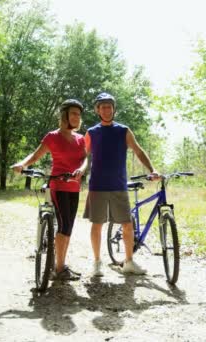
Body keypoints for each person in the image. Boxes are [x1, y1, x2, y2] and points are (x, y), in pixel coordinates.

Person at [83, 92, 159, 276]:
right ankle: (96, 263)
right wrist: (80, 172)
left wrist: (152, 170)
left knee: (126, 224)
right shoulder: (91, 133)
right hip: (97, 185)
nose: (106, 110)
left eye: (109, 106)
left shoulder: (123, 131)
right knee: (97, 224)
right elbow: (84, 158)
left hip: (118, 184)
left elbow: (139, 151)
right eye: (103, 107)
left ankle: (129, 262)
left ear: (114, 109)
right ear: (97, 110)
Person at [11, 99, 88, 281]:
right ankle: (58, 269)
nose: (77, 117)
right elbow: (36, 154)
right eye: (73, 114)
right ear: (65, 116)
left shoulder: (80, 139)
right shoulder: (52, 137)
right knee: (63, 226)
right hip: (58, 186)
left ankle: (61, 264)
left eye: (79, 114)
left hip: (74, 187)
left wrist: (82, 169)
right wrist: (22, 164)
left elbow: (86, 159)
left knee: (68, 227)